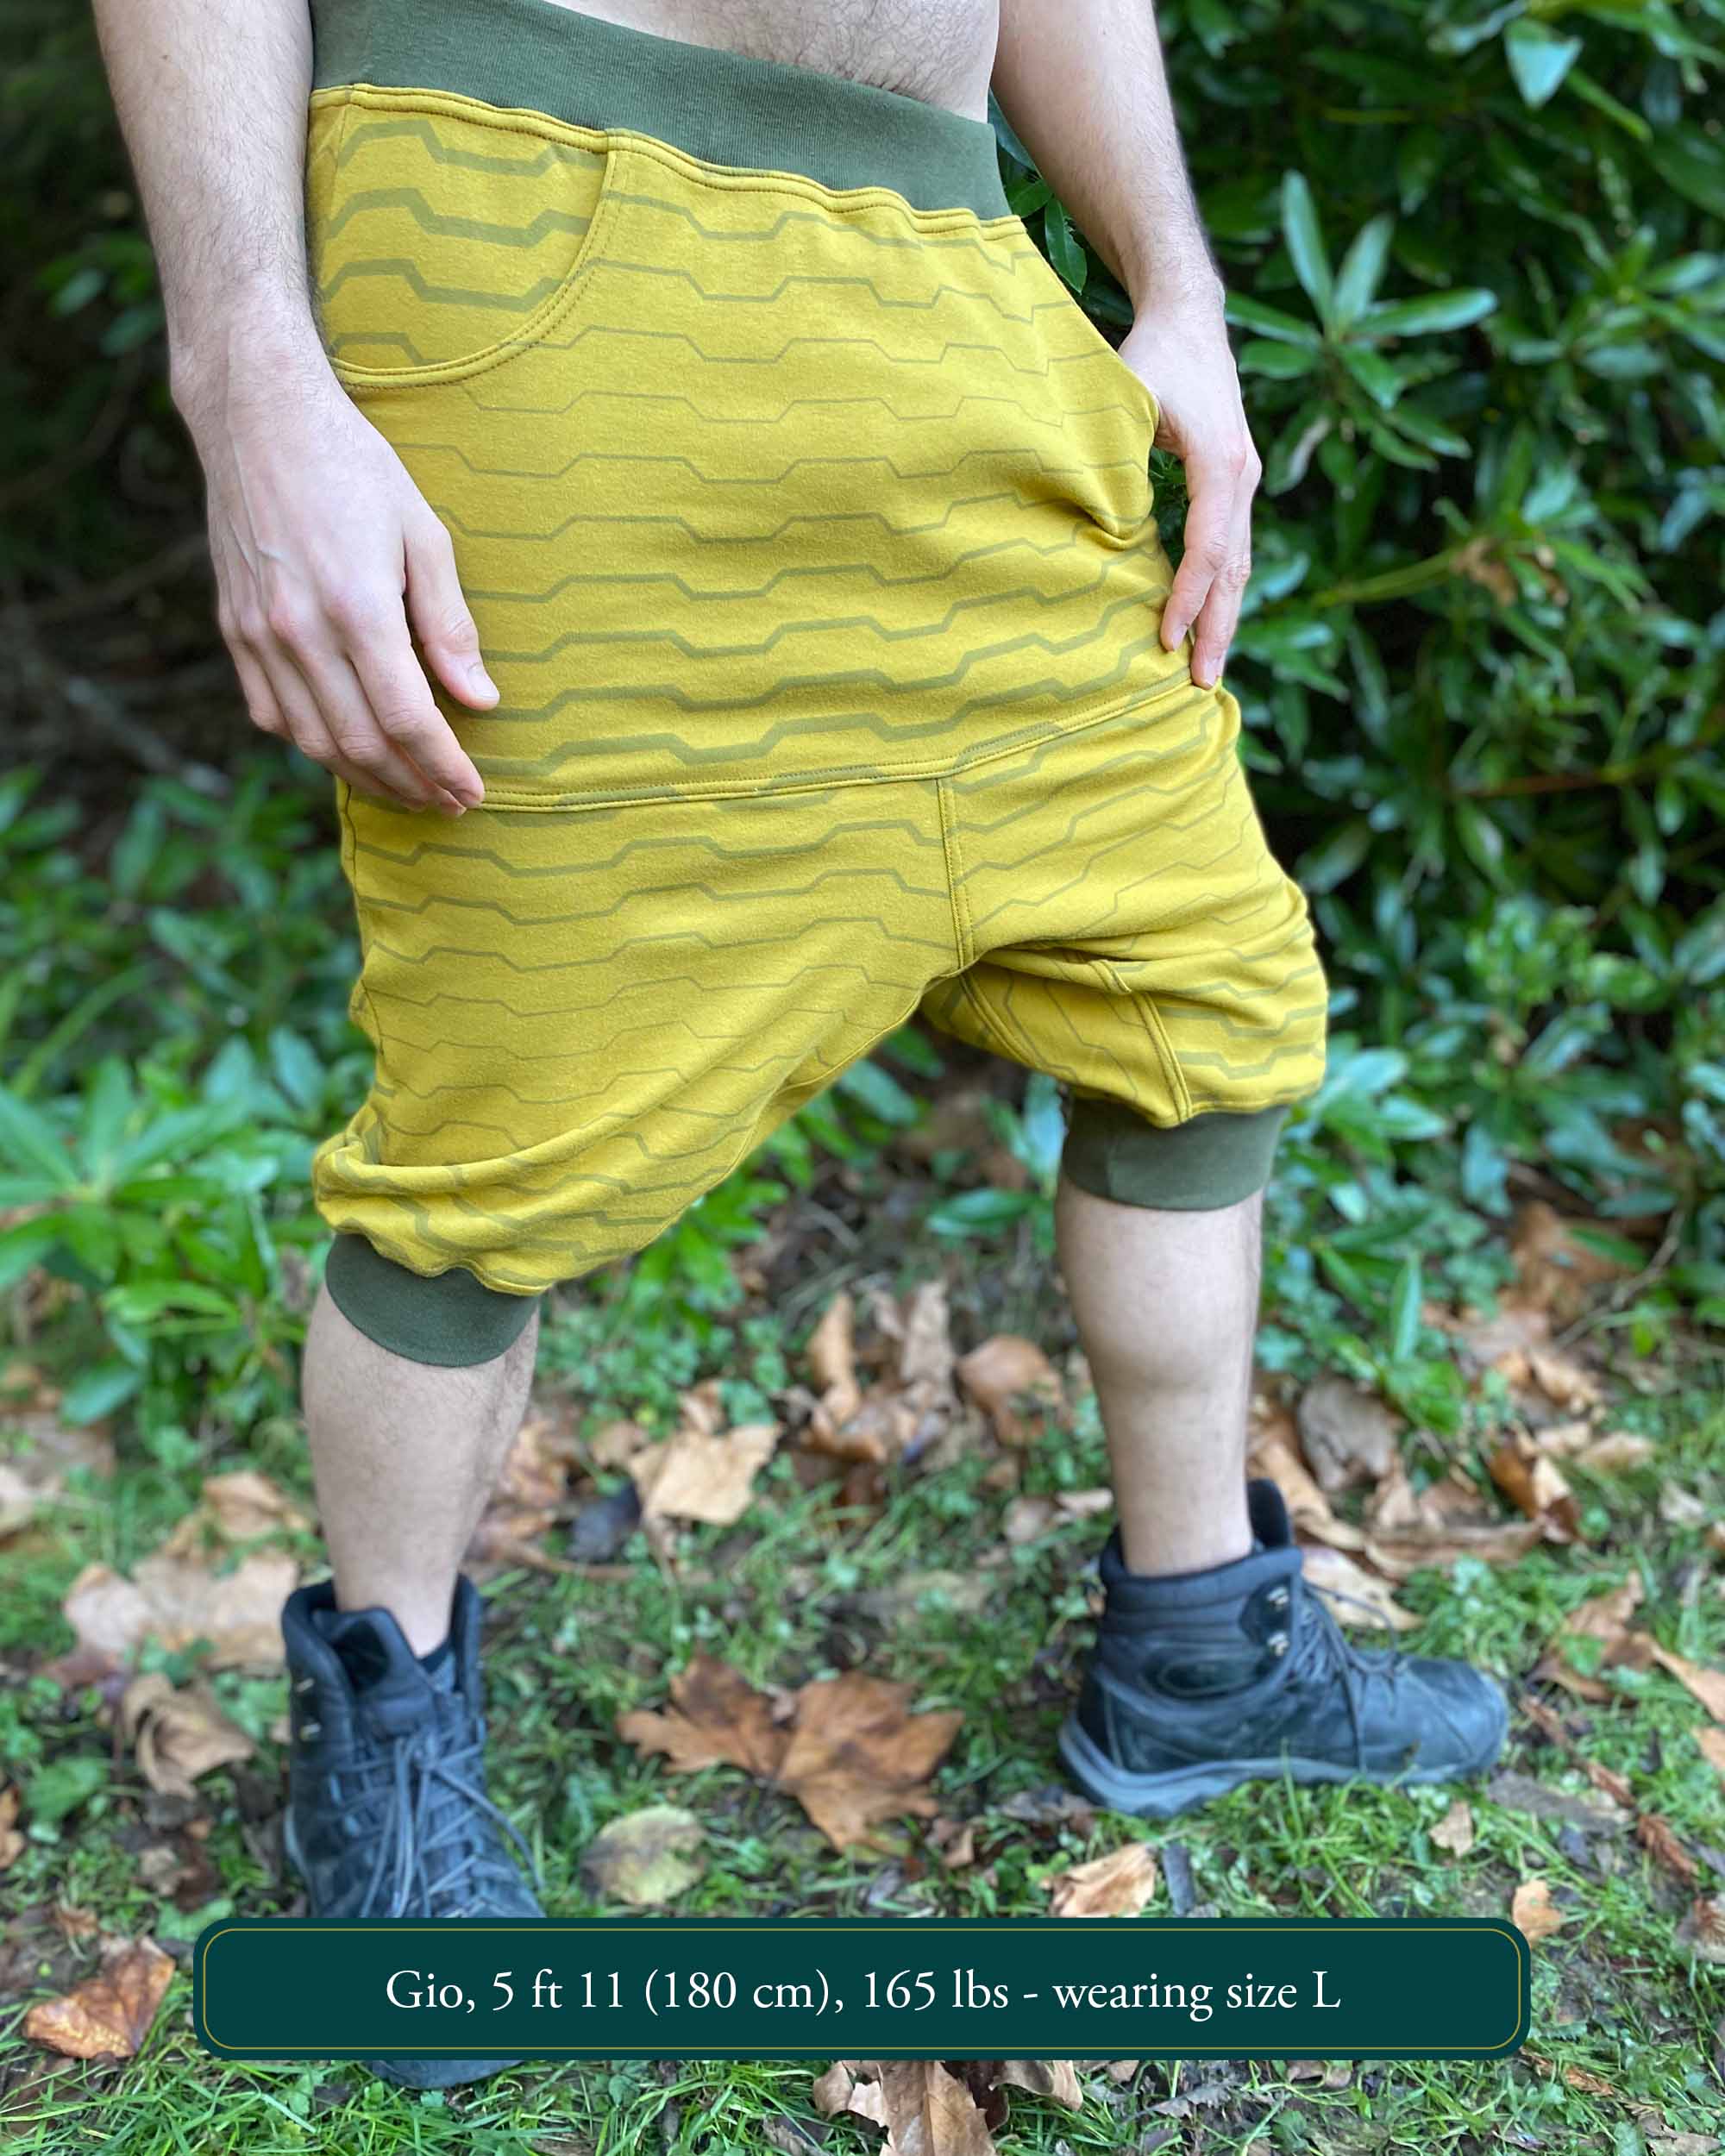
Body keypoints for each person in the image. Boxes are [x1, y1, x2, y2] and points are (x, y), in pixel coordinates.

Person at [96, 0, 1508, 2088]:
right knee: (514, 1119)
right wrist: (248, 367)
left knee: (1198, 993)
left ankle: (1201, 1641)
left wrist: (1181, 292)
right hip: (544, 223)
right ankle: (383, 1743)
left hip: (955, 278)